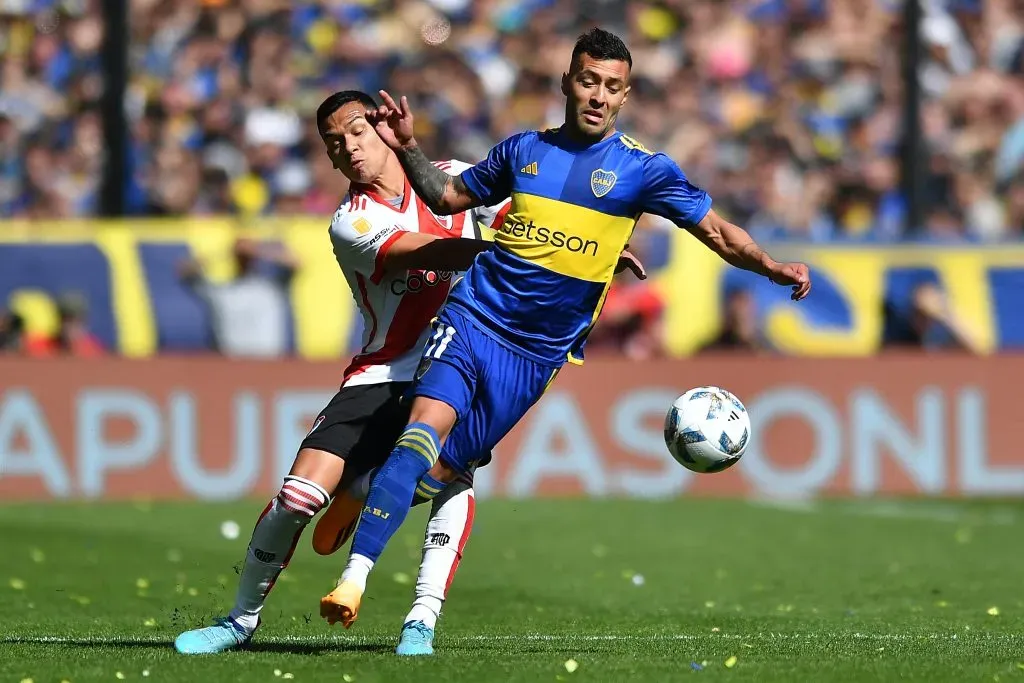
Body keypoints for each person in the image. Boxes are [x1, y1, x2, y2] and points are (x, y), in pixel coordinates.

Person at [321, 28, 812, 635]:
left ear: (625, 95)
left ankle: (366, 488)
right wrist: (412, 146)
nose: (597, 96)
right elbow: (447, 197)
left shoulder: (643, 170)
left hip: (537, 354)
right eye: (587, 81)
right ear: (566, 84)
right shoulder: (522, 151)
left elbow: (717, 232)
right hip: (475, 316)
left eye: (611, 87)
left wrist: (770, 266)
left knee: (442, 471)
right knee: (424, 428)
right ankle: (355, 578)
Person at [173, 89, 646, 657]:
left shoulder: (455, 178)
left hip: (466, 351)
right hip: (384, 373)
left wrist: (586, 252)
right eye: (333, 144)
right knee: (297, 499)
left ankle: (420, 621)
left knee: (452, 477)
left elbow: (534, 220)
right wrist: (528, 255)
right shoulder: (352, 221)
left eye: (355, 131)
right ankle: (239, 622)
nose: (348, 148)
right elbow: (431, 251)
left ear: (382, 127)